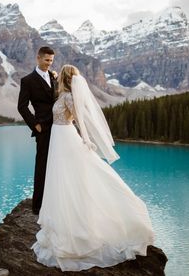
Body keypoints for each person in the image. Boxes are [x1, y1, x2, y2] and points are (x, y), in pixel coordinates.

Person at [31, 64, 155, 271]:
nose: (58, 77)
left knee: (72, 178)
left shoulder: (69, 98)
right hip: (58, 140)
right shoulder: (63, 96)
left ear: (64, 78)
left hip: (67, 139)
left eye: (60, 74)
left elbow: (81, 120)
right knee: (61, 179)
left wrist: (86, 140)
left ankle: (78, 227)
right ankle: (62, 222)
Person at [17, 46, 58, 215]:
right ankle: (38, 206)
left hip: (59, 127)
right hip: (43, 129)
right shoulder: (28, 80)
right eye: (46, 60)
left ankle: (55, 201)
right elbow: (22, 106)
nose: (49, 64)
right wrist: (35, 124)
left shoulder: (54, 77)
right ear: (38, 58)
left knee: (58, 164)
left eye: (51, 61)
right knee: (41, 166)